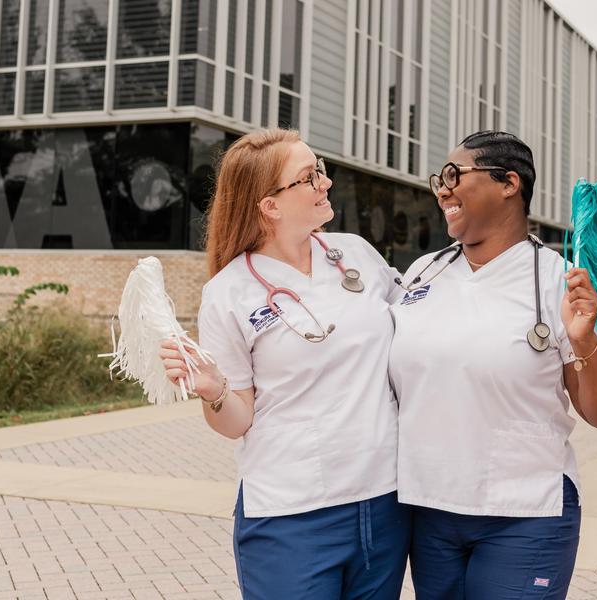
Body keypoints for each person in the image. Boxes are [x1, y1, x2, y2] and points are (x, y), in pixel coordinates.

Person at [389, 130, 597, 599]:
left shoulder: (561, 281)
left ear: (508, 183)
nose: (441, 188)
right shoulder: (423, 273)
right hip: (429, 512)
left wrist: (585, 341)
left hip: (526, 512)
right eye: (438, 179)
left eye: (453, 175)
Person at [159, 128, 409, 599]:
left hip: (382, 505)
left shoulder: (355, 254)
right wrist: (213, 390)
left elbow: (421, 327)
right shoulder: (229, 294)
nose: (325, 183)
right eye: (309, 177)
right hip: (292, 514)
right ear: (269, 205)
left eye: (321, 170)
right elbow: (237, 422)